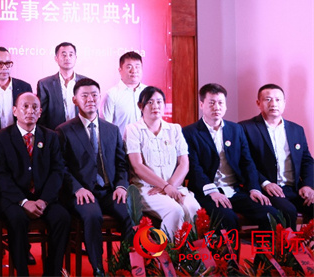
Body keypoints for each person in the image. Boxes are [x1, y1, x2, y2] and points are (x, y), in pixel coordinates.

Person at [56, 78, 132, 274]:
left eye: (94, 95)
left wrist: (121, 186)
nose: (90, 99)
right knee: (92, 217)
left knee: (130, 214)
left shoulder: (112, 129)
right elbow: (60, 167)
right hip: (81, 192)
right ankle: (98, 270)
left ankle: (125, 266)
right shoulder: (63, 131)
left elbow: (122, 164)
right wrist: (77, 188)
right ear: (75, 100)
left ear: (100, 98)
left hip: (109, 191)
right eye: (85, 96)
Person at [0, 92, 69, 276]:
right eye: (25, 106)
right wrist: (24, 202)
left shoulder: (51, 137)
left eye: (34, 107)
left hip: (44, 198)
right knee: (17, 219)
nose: (30, 111)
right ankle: (22, 272)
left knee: (62, 218)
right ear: (15, 111)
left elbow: (57, 171)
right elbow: (1, 175)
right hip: (13, 199)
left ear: (40, 112)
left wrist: (43, 200)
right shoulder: (0, 138)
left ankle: (52, 272)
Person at [183, 83, 280, 232]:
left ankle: (263, 248)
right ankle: (229, 249)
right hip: (207, 192)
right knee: (227, 218)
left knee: (270, 214)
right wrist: (212, 191)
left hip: (234, 190)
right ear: (202, 105)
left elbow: (247, 162)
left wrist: (254, 188)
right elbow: (194, 168)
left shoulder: (236, 129)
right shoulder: (189, 132)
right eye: (212, 103)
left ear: (226, 106)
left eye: (220, 103)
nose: (217, 107)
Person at [124, 86, 201, 237]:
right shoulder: (133, 129)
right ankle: (167, 251)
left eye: (159, 102)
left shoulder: (174, 129)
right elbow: (137, 166)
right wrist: (164, 186)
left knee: (194, 209)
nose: (155, 106)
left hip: (174, 186)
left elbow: (184, 163)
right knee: (175, 211)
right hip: (146, 189)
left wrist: (169, 186)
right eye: (150, 102)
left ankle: (189, 251)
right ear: (140, 106)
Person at [240, 83, 314, 226]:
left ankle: (308, 241)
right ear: (258, 103)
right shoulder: (245, 128)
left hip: (295, 188)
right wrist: (265, 183)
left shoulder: (296, 129)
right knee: (288, 211)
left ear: (284, 103)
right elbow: (244, 162)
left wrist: (308, 185)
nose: (273, 104)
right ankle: (288, 242)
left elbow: (307, 161)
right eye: (268, 99)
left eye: (278, 100)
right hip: (268, 189)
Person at [36, 42, 88, 130]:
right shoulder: (45, 84)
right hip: (55, 133)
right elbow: (42, 117)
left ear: (75, 58)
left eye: (71, 55)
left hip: (80, 132)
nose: (67, 58)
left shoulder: (86, 82)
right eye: (64, 55)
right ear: (56, 58)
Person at [102, 51, 147, 135]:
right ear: (120, 70)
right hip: (122, 142)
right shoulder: (112, 94)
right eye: (129, 67)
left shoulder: (149, 92)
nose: (134, 71)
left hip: (146, 142)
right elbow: (105, 127)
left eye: (137, 67)